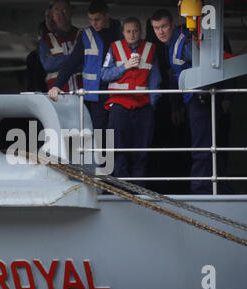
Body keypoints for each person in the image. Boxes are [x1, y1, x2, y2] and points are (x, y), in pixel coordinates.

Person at [151, 9, 229, 194]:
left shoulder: (185, 41)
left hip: (200, 100)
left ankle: (201, 189)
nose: (160, 31)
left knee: (202, 148)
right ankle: (214, 187)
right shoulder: (171, 43)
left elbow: (209, 65)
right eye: (156, 28)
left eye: (164, 26)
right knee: (203, 146)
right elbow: (175, 77)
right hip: (191, 100)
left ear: (173, 24)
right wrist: (176, 106)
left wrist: (226, 96)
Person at [100, 17, 161, 184]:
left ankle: (138, 189)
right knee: (119, 150)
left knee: (141, 151)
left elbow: (155, 81)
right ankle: (123, 189)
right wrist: (124, 66)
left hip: (143, 108)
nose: (132, 34)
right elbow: (104, 75)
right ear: (123, 32)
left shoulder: (149, 49)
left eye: (135, 30)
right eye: (128, 31)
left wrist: (152, 104)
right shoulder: (114, 48)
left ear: (140, 31)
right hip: (119, 106)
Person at [48, 0, 122, 134]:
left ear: (107, 16)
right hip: (95, 95)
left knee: (118, 131)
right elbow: (72, 62)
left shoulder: (121, 31)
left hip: (118, 91)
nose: (93, 23)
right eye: (91, 19)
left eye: (97, 19)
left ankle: (116, 155)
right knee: (100, 133)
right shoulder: (86, 35)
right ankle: (102, 156)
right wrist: (57, 85)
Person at [39, 0, 82, 92]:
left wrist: (58, 60)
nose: (60, 14)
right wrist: (76, 58)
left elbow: (88, 61)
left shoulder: (81, 35)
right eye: (57, 10)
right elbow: (48, 65)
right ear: (52, 14)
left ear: (71, 12)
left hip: (81, 92)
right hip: (58, 94)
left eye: (64, 10)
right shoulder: (46, 40)